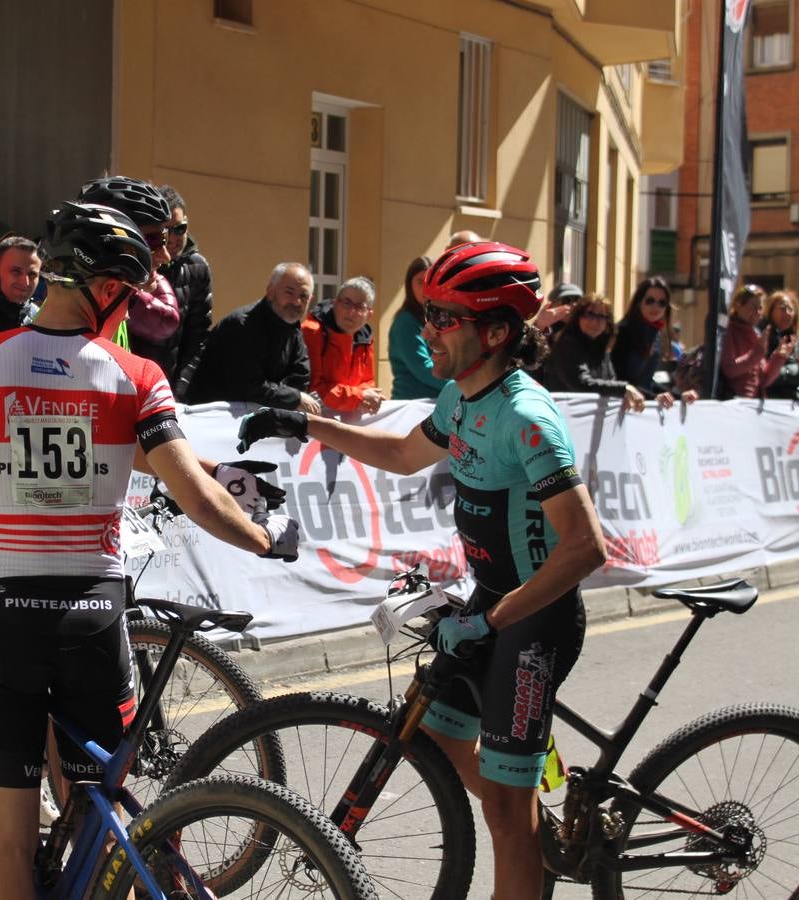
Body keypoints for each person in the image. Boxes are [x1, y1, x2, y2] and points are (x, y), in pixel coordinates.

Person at [0, 200, 299, 900]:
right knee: (98, 843)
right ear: (105, 290)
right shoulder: (135, 376)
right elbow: (195, 491)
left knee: (6, 851)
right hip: (95, 619)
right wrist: (264, 537)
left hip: (6, 619)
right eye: (125, 295)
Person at [237, 241, 605, 900]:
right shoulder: (460, 396)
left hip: (533, 621)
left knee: (503, 819)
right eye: (429, 313)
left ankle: (527, 828)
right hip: (487, 605)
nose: (427, 329)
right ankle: (533, 801)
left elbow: (584, 549)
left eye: (445, 318)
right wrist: (306, 423)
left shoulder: (526, 419)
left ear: (495, 333)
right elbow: (405, 453)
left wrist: (491, 619)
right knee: (445, 735)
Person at [189, 262, 319, 412]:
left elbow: (300, 377)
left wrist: (291, 396)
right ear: (270, 291)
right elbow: (248, 386)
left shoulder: (293, 329)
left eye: (303, 296)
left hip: (258, 419)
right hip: (215, 418)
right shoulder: (242, 325)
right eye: (289, 292)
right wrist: (293, 397)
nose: (296, 302)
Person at [74, 176, 177, 354]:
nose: (166, 256)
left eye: (164, 238)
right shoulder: (75, 320)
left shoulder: (111, 309)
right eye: (153, 242)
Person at [155, 184, 214, 400]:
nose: (172, 239)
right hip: (134, 379)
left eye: (179, 228)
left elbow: (198, 338)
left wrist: (179, 392)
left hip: (172, 389)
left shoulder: (198, 268)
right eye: (165, 230)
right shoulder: (140, 265)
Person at [541, 293, 645, 411]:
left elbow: (610, 382)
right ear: (578, 317)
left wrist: (647, 396)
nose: (595, 321)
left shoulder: (603, 349)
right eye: (590, 314)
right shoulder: (568, 344)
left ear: (607, 322)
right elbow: (581, 383)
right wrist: (623, 389)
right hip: (564, 417)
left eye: (601, 316)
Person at [302, 276, 384, 414]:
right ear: (335, 304)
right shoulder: (312, 332)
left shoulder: (365, 337)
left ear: (369, 314)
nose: (351, 312)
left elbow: (368, 382)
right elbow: (315, 390)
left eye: (359, 307)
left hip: (347, 415)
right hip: (313, 417)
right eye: (346, 303)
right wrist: (359, 397)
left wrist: (365, 397)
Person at [612, 276, 696, 407]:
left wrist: (678, 397)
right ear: (639, 302)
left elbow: (647, 382)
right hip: (619, 407)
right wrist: (655, 396)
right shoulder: (622, 332)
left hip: (640, 405)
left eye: (662, 303)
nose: (655, 307)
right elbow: (620, 379)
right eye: (650, 301)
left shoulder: (657, 334)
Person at [389, 255, 449, 400]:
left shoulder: (440, 316)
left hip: (438, 403)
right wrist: (461, 386)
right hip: (412, 406)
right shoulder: (406, 322)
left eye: (430, 282)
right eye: (419, 282)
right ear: (409, 285)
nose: (425, 288)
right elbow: (424, 369)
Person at [720, 284, 790, 399]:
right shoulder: (729, 331)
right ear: (738, 305)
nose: (757, 312)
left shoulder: (755, 334)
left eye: (760, 308)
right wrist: (758, 352)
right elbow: (729, 369)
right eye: (753, 306)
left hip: (753, 406)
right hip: (735, 405)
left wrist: (779, 357)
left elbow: (763, 380)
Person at [760, 289, 799, 401]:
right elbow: (768, 377)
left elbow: (797, 380)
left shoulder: (791, 339)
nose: (787, 313)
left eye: (791, 309)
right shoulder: (763, 336)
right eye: (782, 308)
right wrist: (798, 367)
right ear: (770, 310)